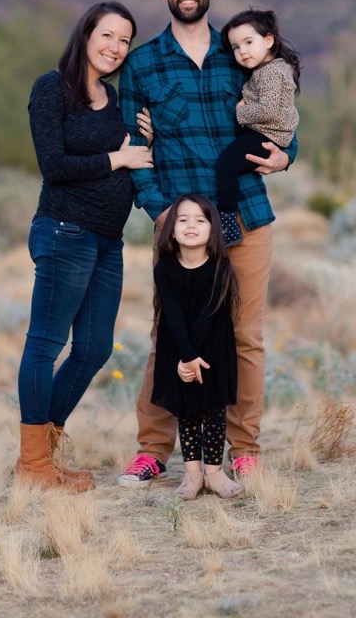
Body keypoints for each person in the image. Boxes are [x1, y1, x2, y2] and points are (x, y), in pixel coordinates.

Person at [116, 0, 297, 487]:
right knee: (168, 334)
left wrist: (290, 153)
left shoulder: (238, 51)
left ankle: (244, 451)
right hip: (182, 226)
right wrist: (159, 209)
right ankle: (153, 450)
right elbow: (132, 145)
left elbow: (281, 107)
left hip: (246, 212)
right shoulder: (143, 64)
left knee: (245, 336)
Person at [15, 1, 153, 493]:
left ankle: (42, 459)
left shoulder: (116, 101)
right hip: (64, 230)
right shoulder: (52, 88)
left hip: (107, 241)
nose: (115, 47)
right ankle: (33, 467)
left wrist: (143, 145)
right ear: (86, 34)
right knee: (46, 344)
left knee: (93, 348)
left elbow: (136, 160)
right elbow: (53, 165)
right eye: (108, 35)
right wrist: (117, 157)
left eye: (124, 41)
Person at [151, 193, 242, 500]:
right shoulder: (164, 268)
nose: (191, 225)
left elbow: (209, 314)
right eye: (183, 219)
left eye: (200, 220)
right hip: (178, 349)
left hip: (213, 350)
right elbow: (173, 315)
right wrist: (184, 358)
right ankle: (192, 476)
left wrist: (194, 359)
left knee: (214, 411)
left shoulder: (221, 267)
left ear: (213, 230)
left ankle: (214, 473)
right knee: (187, 411)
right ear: (171, 230)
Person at [216, 9, 301, 247]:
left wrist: (239, 111)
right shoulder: (268, 69)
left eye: (248, 42)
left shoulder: (272, 72)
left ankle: (228, 225)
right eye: (235, 47)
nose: (241, 51)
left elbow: (269, 110)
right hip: (266, 134)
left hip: (265, 136)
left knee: (225, 166)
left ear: (268, 40)